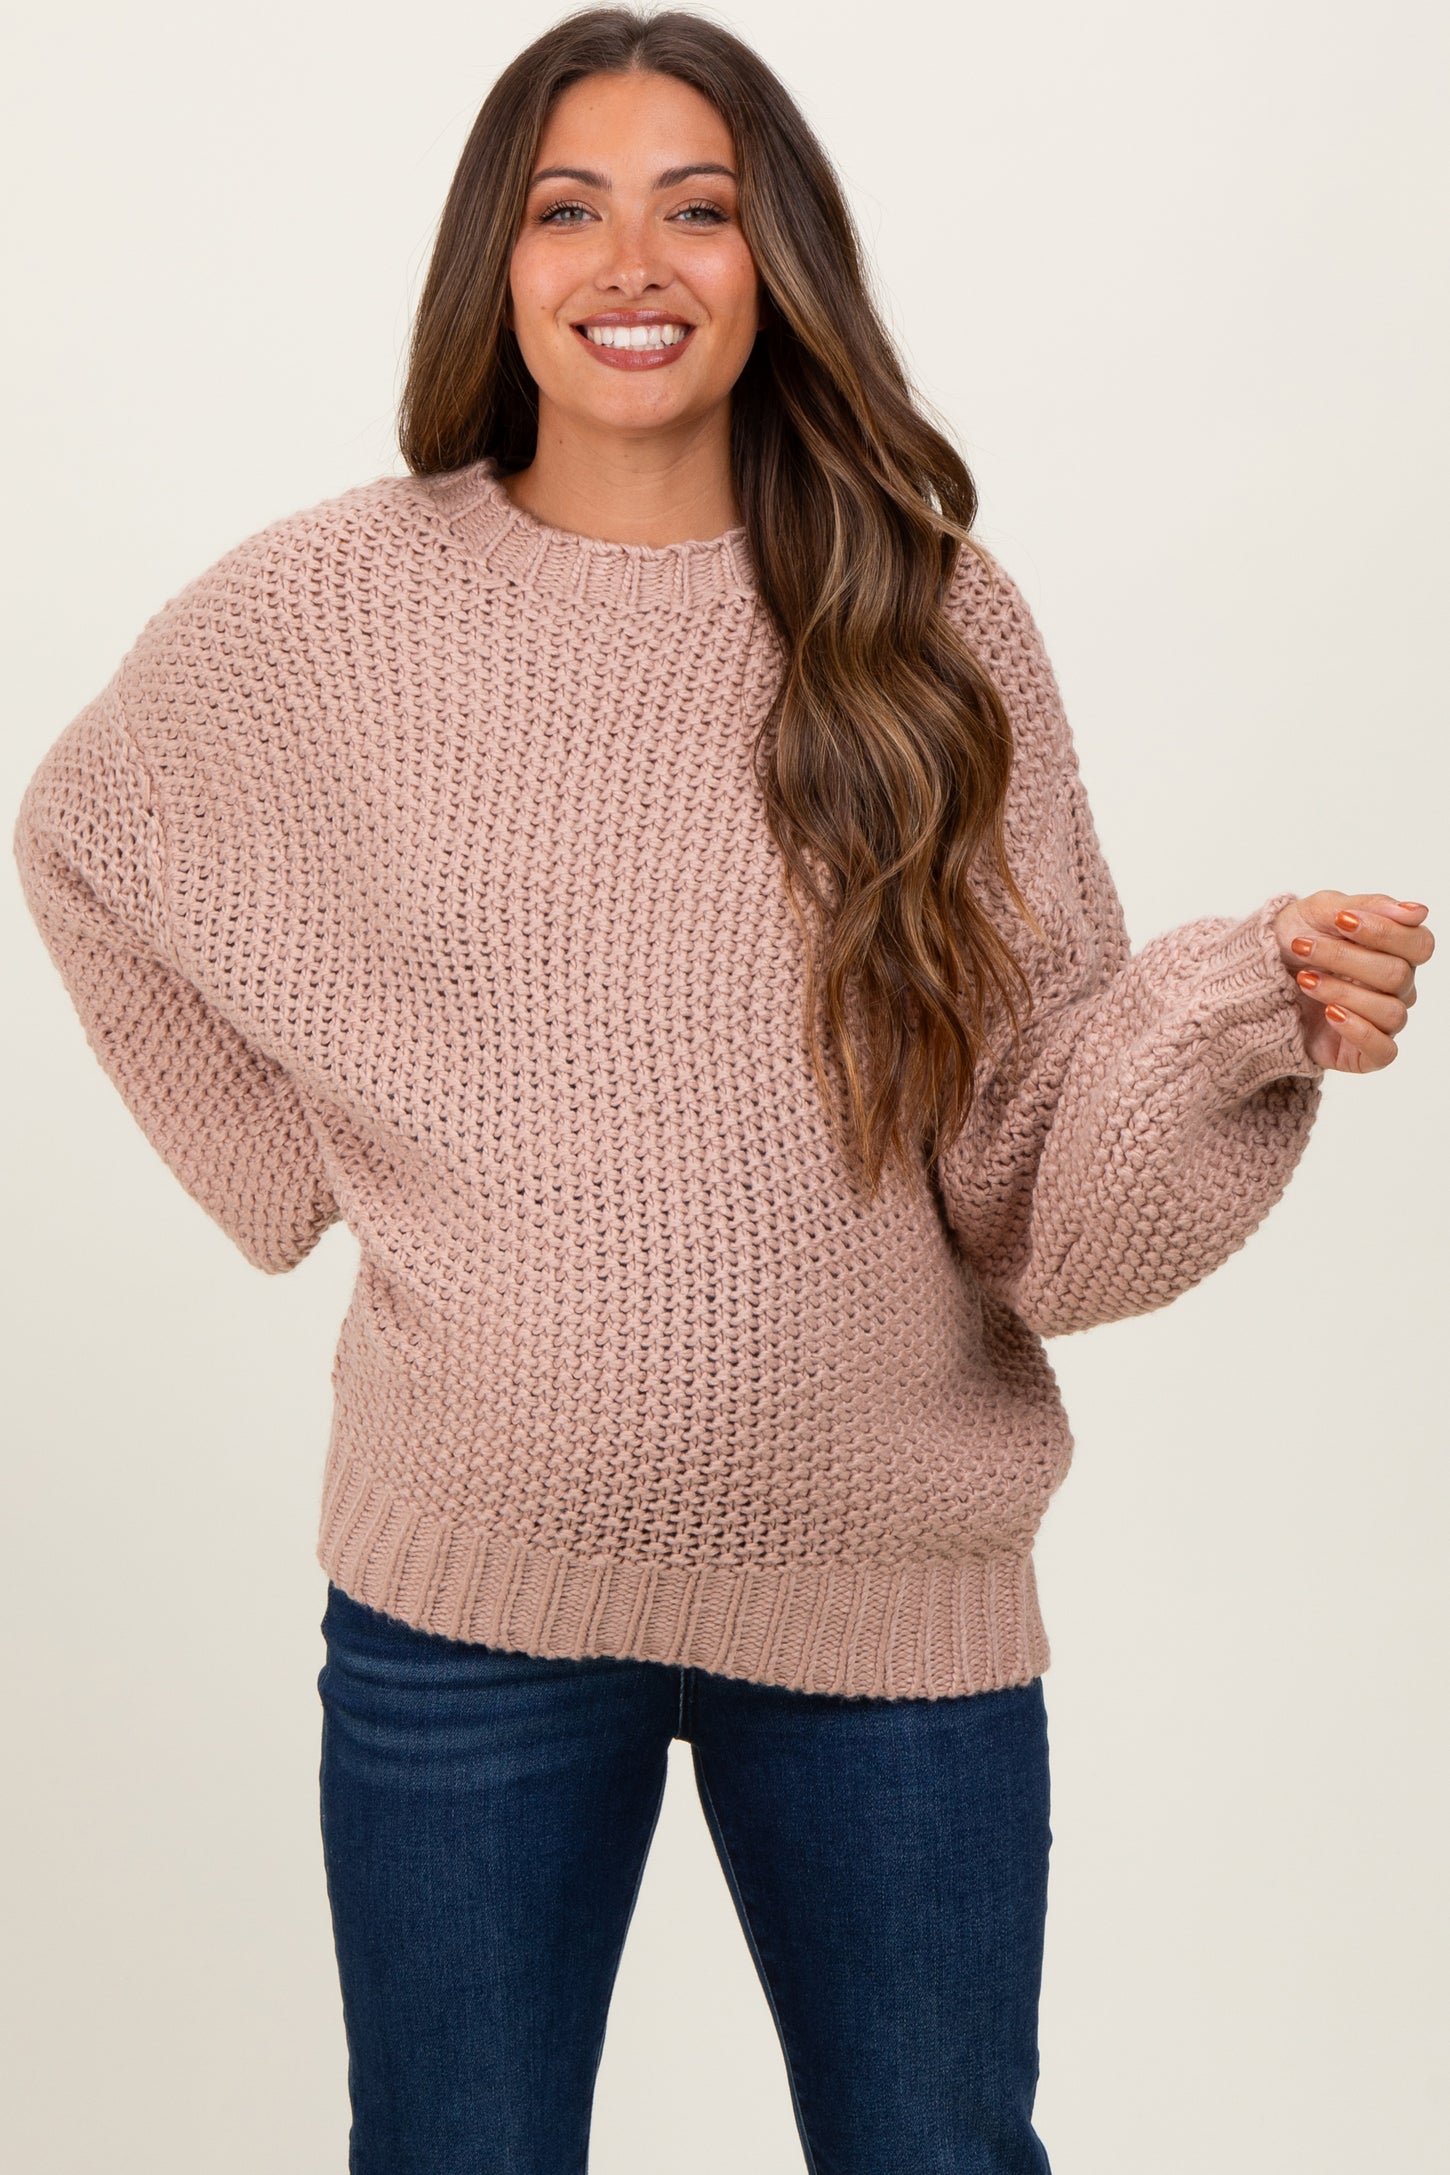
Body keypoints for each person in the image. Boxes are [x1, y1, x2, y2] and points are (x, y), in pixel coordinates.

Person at [11, 9, 1433, 2172]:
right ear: (495, 261)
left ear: (779, 263)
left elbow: (1038, 1193)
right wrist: (290, 1158)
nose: (631, 262)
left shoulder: (927, 618)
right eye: (567, 209)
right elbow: (90, 835)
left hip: (891, 1598)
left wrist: (1241, 1009)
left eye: (699, 207)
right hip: (464, 1596)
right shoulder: (329, 603)